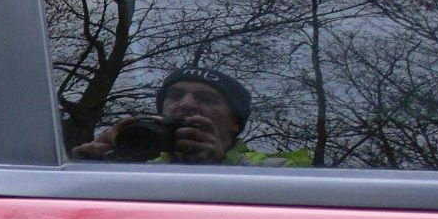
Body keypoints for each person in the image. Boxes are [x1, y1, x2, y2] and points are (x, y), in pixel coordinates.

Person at [72, 67, 303, 165]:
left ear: (235, 122)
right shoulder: (140, 162)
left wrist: (219, 166)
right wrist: (91, 162)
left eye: (206, 98)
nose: (186, 104)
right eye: (175, 96)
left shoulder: (280, 169)